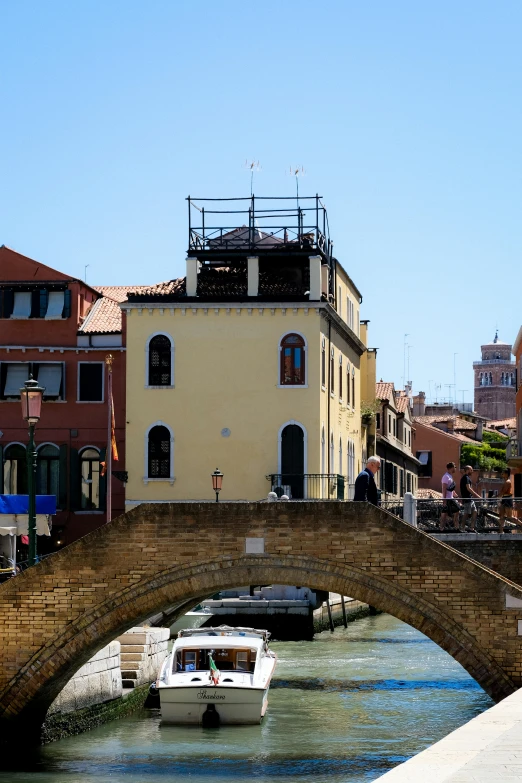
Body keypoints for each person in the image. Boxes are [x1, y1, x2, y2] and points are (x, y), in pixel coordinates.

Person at [498, 468, 522, 534]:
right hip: (504, 499)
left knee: (510, 517)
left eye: (503, 473)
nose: (501, 474)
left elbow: (503, 491)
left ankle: (521, 524)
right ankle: (501, 531)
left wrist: (496, 496)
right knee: (501, 516)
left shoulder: (508, 482)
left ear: (506, 474)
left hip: (508, 499)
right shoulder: (505, 481)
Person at [459, 466, 481, 532]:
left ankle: (472, 528)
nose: (472, 471)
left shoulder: (467, 478)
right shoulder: (465, 478)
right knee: (466, 514)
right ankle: (462, 528)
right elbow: (468, 488)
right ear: (467, 470)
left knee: (475, 512)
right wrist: (477, 496)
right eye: (471, 470)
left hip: (470, 499)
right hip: (467, 499)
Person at [441, 462, 460, 531]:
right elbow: (444, 489)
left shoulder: (450, 476)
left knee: (445, 513)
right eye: (454, 467)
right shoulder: (446, 477)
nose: (455, 469)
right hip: (448, 499)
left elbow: (451, 490)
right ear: (451, 468)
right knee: (457, 509)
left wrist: (457, 497)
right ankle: (455, 527)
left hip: (451, 498)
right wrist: (444, 500)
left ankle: (443, 528)